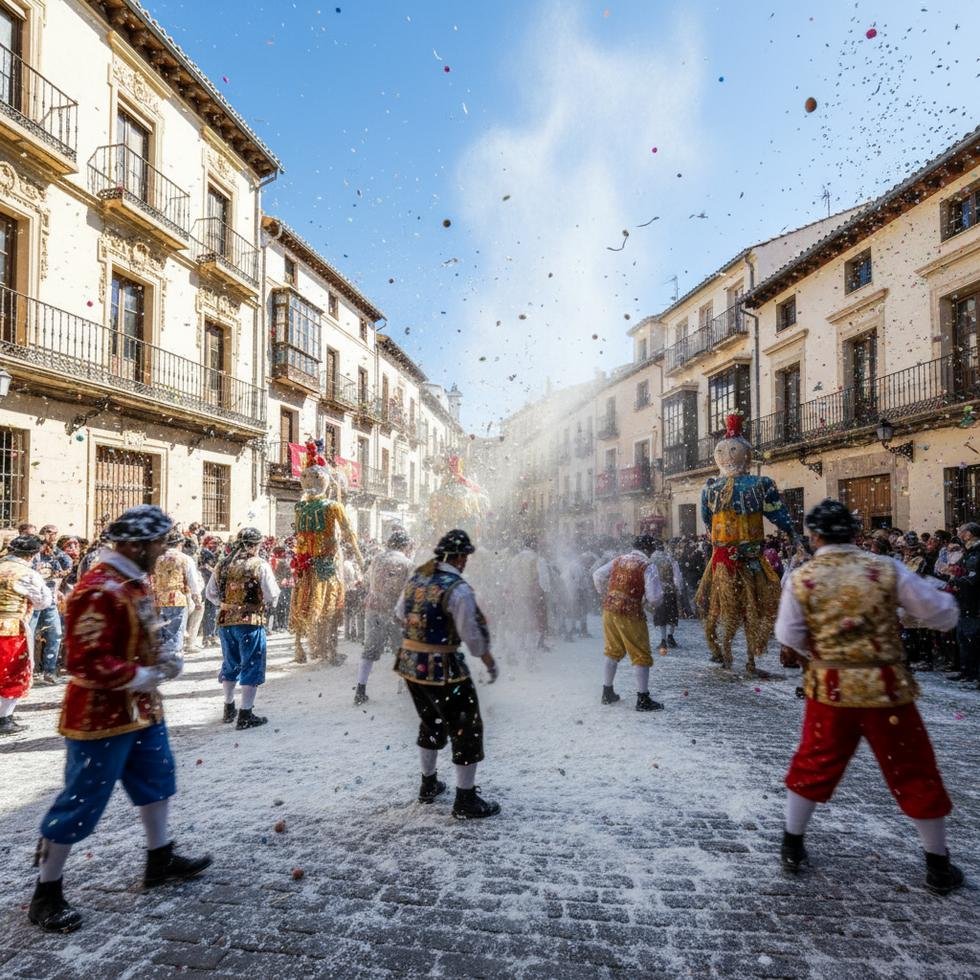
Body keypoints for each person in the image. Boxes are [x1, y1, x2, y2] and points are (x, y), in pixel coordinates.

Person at [29, 506, 211, 934]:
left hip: (142, 710)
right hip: (100, 716)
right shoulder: (97, 590)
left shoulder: (133, 581)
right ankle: (47, 890)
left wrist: (164, 656)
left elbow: (143, 634)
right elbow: (86, 662)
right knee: (83, 798)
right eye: (157, 543)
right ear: (135, 545)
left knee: (157, 779)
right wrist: (144, 674)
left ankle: (159, 857)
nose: (163, 550)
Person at [775, 499, 963, 895]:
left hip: (831, 690)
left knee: (814, 761)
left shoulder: (803, 577)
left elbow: (788, 633)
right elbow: (941, 612)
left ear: (814, 536)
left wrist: (825, 654)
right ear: (855, 534)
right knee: (913, 768)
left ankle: (792, 845)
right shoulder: (884, 569)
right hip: (886, 690)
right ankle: (938, 864)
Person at [394, 529, 500, 819]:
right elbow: (473, 638)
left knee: (431, 720)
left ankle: (428, 784)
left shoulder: (418, 576)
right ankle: (465, 800)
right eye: (465, 556)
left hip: (410, 664)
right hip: (443, 670)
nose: (466, 561)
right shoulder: (459, 588)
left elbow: (399, 613)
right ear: (460, 557)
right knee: (467, 727)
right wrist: (489, 662)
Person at [207, 527, 279, 729]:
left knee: (231, 663)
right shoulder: (259, 564)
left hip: (225, 621)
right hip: (249, 621)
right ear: (255, 545)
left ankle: (228, 707)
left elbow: (210, 593)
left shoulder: (222, 564)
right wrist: (263, 603)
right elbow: (272, 593)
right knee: (252, 663)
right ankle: (245, 713)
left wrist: (226, 605)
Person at [592, 534, 664, 711]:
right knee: (640, 653)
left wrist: (606, 592)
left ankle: (607, 692)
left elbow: (597, 574)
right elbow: (654, 597)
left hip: (609, 610)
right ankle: (642, 699)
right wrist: (651, 602)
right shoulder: (647, 566)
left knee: (612, 651)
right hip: (630, 613)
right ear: (648, 549)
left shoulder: (618, 560)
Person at [0, 535, 52, 735]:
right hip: (11, 626)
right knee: (13, 671)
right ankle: (4, 718)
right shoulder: (27, 574)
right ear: (32, 555)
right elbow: (43, 601)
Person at [355, 528, 414, 705]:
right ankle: (405, 686)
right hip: (395, 611)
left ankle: (360, 689)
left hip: (373, 608)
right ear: (404, 545)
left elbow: (366, 581)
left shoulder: (376, 558)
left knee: (370, 649)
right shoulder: (407, 563)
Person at [32, 524, 71, 684]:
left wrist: (58, 580)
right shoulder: (32, 553)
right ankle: (31, 671)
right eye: (49, 533)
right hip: (32, 599)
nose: (52, 536)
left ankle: (49, 671)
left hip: (50, 600)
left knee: (55, 634)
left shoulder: (54, 554)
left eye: (55, 533)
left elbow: (67, 563)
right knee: (30, 635)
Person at [647, 539, 684, 654]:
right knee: (672, 614)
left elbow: (649, 577)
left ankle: (663, 640)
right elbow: (677, 576)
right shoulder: (670, 558)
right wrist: (678, 588)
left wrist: (649, 592)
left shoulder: (651, 560)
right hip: (670, 590)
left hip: (659, 591)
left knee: (661, 615)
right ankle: (670, 636)